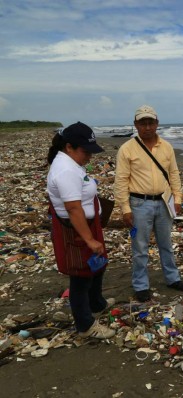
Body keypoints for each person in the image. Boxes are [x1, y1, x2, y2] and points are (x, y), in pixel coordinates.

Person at [114, 105, 183, 302]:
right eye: (142, 123)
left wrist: (178, 199)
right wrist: (125, 209)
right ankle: (141, 285)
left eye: (150, 122)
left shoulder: (166, 146)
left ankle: (172, 278)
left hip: (164, 202)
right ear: (136, 125)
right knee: (140, 248)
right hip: (139, 203)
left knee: (167, 244)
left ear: (157, 124)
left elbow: (173, 173)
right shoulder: (127, 149)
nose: (147, 127)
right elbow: (121, 180)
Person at [47, 122, 115, 339]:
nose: (89, 156)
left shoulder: (71, 164)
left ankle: (97, 302)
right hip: (76, 229)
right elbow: (73, 208)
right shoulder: (65, 169)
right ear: (69, 147)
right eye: (86, 151)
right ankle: (85, 325)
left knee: (99, 265)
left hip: (87, 224)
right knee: (81, 276)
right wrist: (89, 239)